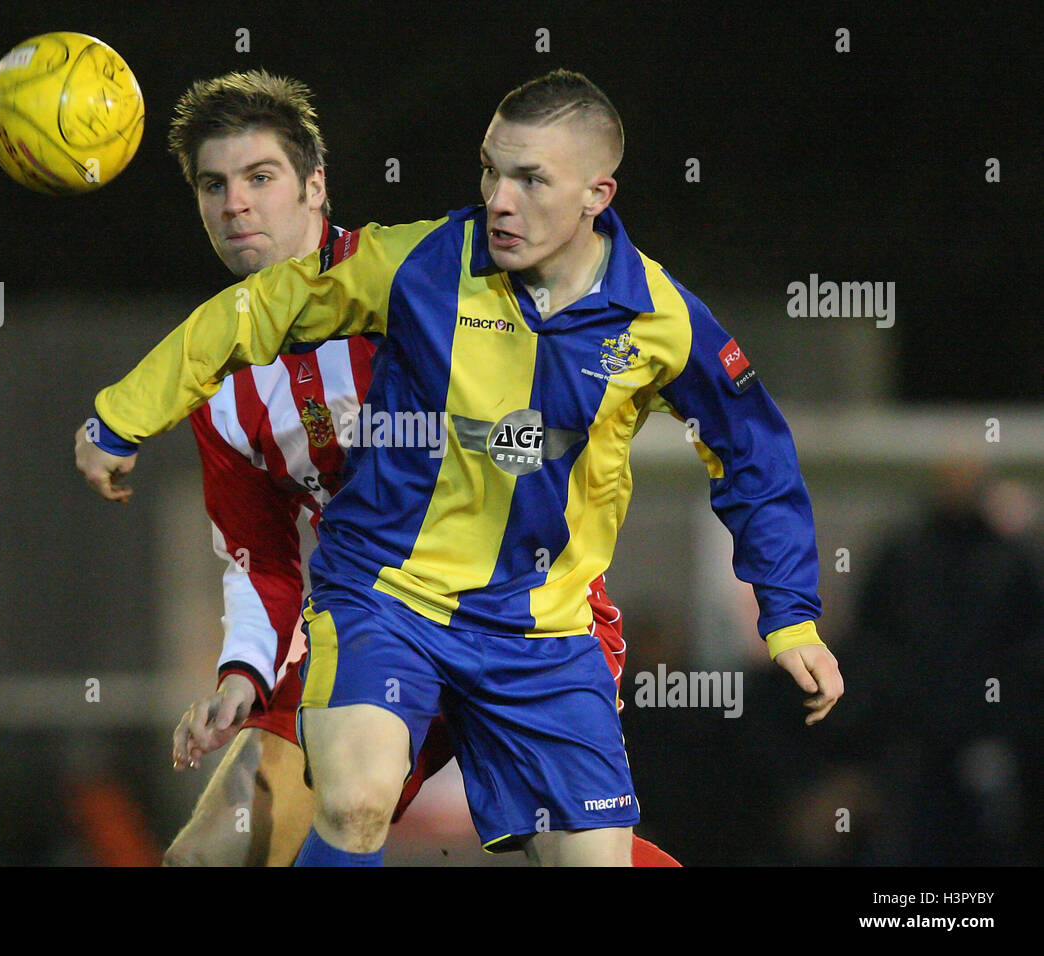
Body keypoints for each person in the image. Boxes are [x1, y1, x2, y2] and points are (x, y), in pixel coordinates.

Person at [76, 69, 840, 866]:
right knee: (271, 832)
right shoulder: (397, 279)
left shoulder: (657, 317)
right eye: (490, 171)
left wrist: (789, 616)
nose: (500, 198)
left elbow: (755, 453)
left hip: (539, 626)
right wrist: (125, 416)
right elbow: (256, 546)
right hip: (388, 606)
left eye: (258, 177)